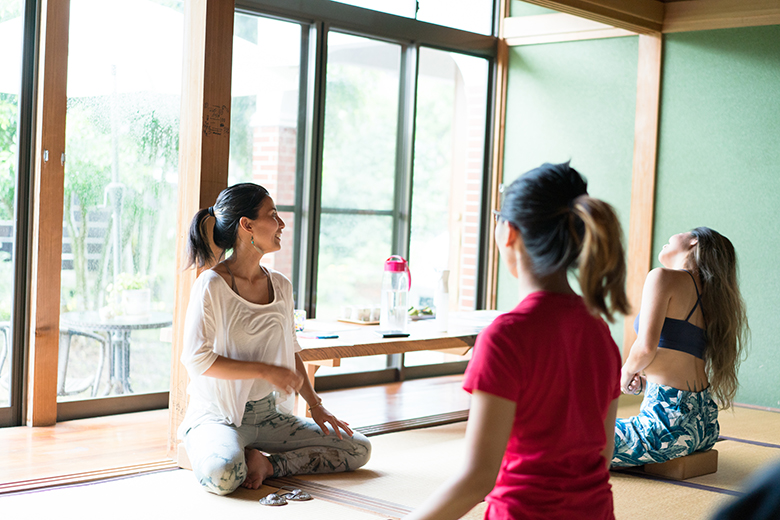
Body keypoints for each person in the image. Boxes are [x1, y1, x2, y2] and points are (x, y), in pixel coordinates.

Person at [405, 162, 629, 520]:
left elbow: (477, 479)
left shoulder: (506, 337)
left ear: (508, 231)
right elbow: (603, 456)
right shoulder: (599, 332)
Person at [178, 182, 371, 496]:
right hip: (219, 416)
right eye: (273, 215)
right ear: (247, 225)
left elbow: (291, 350)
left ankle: (268, 465)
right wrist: (264, 370)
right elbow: (198, 360)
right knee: (224, 475)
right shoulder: (212, 285)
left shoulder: (280, 285)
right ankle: (220, 449)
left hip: (269, 415)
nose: (281, 224)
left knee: (358, 449)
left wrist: (316, 406)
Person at [612, 227, 748, 468]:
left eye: (681, 232)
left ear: (694, 240)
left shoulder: (662, 277)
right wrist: (646, 385)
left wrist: (624, 375)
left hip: (666, 427)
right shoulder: (713, 300)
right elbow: (681, 358)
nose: (669, 239)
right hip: (704, 426)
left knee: (567, 438)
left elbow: (645, 348)